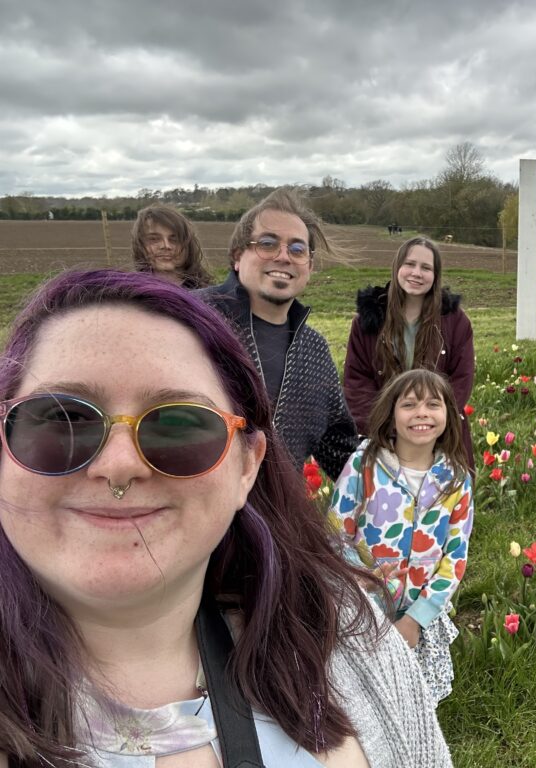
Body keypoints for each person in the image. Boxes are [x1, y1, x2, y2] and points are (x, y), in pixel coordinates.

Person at [0, 269, 451, 767]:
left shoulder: (346, 635)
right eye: (63, 419)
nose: (118, 465)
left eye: (178, 425)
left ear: (247, 466)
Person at [330, 369, 474, 707]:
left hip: (420, 613)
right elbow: (336, 531)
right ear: (391, 418)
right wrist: (358, 576)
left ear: (448, 417)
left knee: (415, 699)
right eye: (409, 404)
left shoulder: (456, 480)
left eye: (433, 405)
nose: (421, 413)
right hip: (365, 603)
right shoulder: (363, 466)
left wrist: (417, 618)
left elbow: (455, 557)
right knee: (363, 694)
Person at [199, 188, 358, 479]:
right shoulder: (194, 318)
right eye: (268, 243)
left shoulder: (313, 350)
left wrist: (414, 465)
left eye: (297, 249)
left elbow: (340, 450)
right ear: (238, 256)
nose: (283, 256)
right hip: (195, 516)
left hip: (276, 521)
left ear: (308, 267)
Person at [343, 237, 475, 469]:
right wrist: (389, 426)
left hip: (439, 435)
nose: (416, 273)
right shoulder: (367, 323)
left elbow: (461, 380)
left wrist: (430, 422)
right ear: (397, 268)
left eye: (426, 268)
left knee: (442, 502)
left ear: (435, 275)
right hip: (385, 437)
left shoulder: (455, 322)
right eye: (410, 264)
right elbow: (357, 382)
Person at [130, 204, 213, 289]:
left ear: (188, 246)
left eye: (175, 239)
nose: (166, 246)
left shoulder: (210, 296)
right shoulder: (128, 294)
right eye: (154, 239)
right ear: (139, 244)